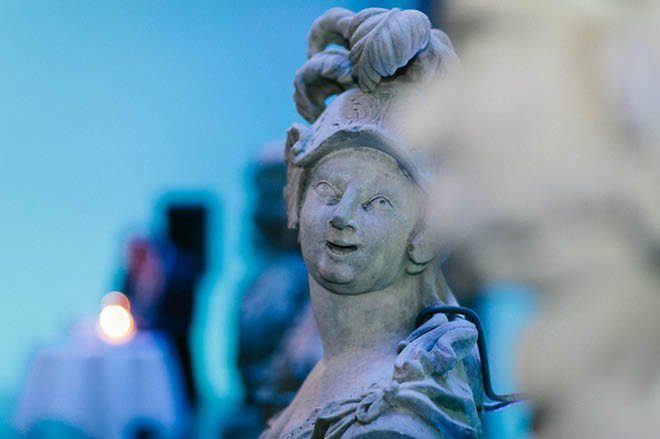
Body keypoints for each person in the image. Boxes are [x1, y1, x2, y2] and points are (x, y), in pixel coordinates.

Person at [261, 7, 482, 438]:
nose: (342, 216)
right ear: (295, 196)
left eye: (378, 202)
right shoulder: (332, 372)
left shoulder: (394, 418)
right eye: (326, 189)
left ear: (425, 234)